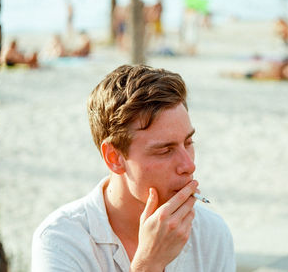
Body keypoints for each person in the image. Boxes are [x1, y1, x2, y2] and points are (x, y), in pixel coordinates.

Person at [32, 65, 236, 271]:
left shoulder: (211, 234)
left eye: (188, 143)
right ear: (114, 158)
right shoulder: (61, 241)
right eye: (165, 150)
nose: (189, 165)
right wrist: (148, 264)